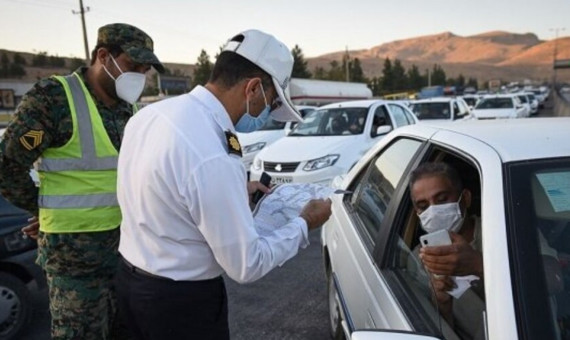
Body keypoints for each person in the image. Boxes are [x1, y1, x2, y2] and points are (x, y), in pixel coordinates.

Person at [115, 29, 332, 339]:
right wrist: (304, 223)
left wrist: (233, 192)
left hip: (130, 284)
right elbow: (247, 265)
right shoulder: (213, 152)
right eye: (271, 103)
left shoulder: (151, 115)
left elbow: (160, 187)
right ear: (254, 88)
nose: (266, 112)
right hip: (181, 308)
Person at [0, 23, 164, 339]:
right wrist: (42, 208)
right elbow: (8, 164)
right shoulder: (54, 100)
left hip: (127, 255)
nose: (140, 76)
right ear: (103, 56)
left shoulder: (128, 108)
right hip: (75, 264)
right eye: (133, 66)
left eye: (145, 70)